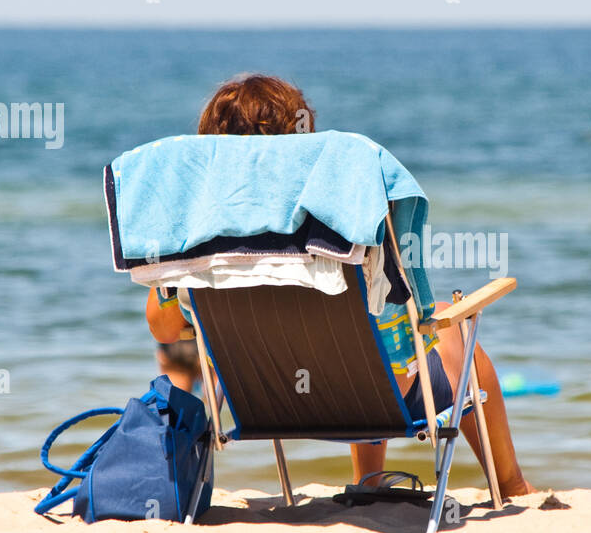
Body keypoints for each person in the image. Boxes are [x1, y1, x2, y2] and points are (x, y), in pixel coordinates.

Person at [145, 74, 534, 497]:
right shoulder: (340, 213)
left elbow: (164, 329)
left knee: (366, 329)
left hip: (266, 403)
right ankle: (512, 485)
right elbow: (415, 312)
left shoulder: (200, 236)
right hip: (375, 401)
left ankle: (369, 480)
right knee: (444, 326)